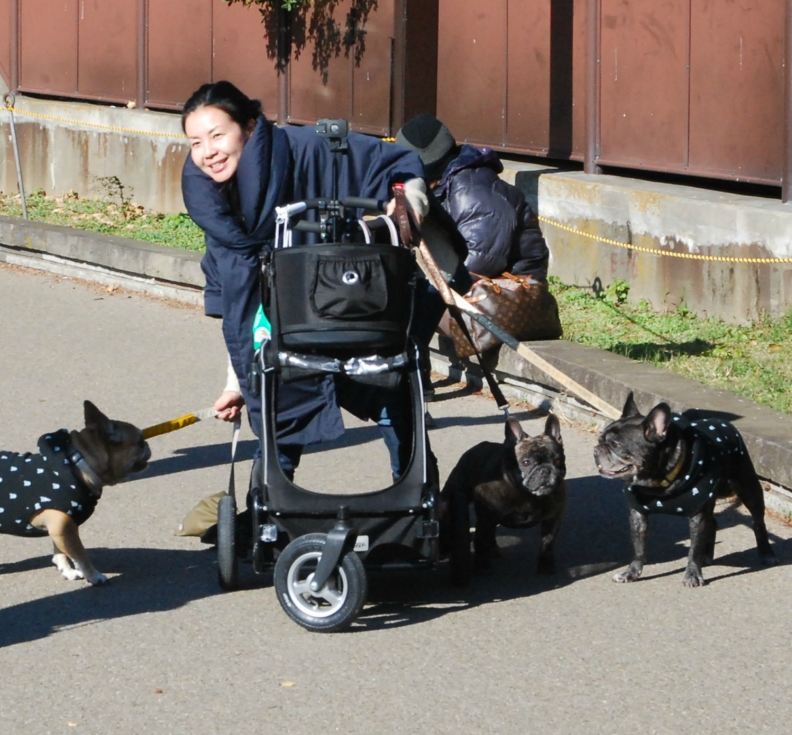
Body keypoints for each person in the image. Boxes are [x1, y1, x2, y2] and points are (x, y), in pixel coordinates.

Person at [181, 81, 437, 477]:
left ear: (249, 126)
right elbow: (239, 307)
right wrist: (236, 381)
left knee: (390, 396)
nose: (207, 152)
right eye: (195, 142)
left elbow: (397, 164)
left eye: (217, 135)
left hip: (350, 304)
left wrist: (404, 203)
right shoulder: (214, 205)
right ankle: (269, 517)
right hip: (284, 331)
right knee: (278, 410)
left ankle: (418, 501)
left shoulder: (307, 149)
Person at [393, 114, 557, 364]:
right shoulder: (449, 183)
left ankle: (413, 374)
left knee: (413, 301)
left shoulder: (472, 190)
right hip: (480, 284)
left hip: (507, 294)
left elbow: (481, 262)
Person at [393, 114, 549, 281]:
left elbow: (482, 261)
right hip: (473, 275)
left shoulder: (471, 190)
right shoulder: (445, 186)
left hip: (510, 290)